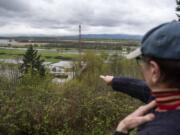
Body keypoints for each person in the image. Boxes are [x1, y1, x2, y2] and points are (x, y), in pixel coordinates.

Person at [101, 21, 180, 135]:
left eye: (142, 61)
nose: (142, 68)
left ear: (154, 70)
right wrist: (115, 81)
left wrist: (121, 129)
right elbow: (146, 90)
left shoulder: (156, 131)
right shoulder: (168, 99)